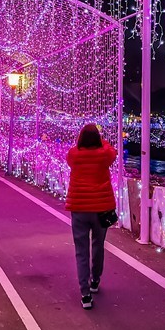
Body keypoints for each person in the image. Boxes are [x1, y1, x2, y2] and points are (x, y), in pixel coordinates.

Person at [65, 124, 117, 310]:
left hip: (79, 208)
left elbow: (70, 157)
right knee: (98, 245)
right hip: (101, 209)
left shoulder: (74, 155)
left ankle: (85, 294)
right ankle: (95, 281)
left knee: (81, 251)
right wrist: (100, 139)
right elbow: (112, 150)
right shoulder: (104, 155)